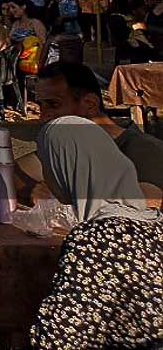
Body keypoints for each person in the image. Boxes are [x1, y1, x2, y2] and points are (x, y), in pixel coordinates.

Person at [29, 117, 163, 349]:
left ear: (66, 166)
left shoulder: (95, 239)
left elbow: (57, 339)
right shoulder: (155, 224)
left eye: (47, 163)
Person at [15, 61, 163, 195]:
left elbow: (147, 205)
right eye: (41, 106)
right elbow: (10, 178)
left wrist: (64, 198)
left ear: (90, 104)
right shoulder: (69, 146)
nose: (44, 116)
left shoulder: (144, 149)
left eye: (54, 104)